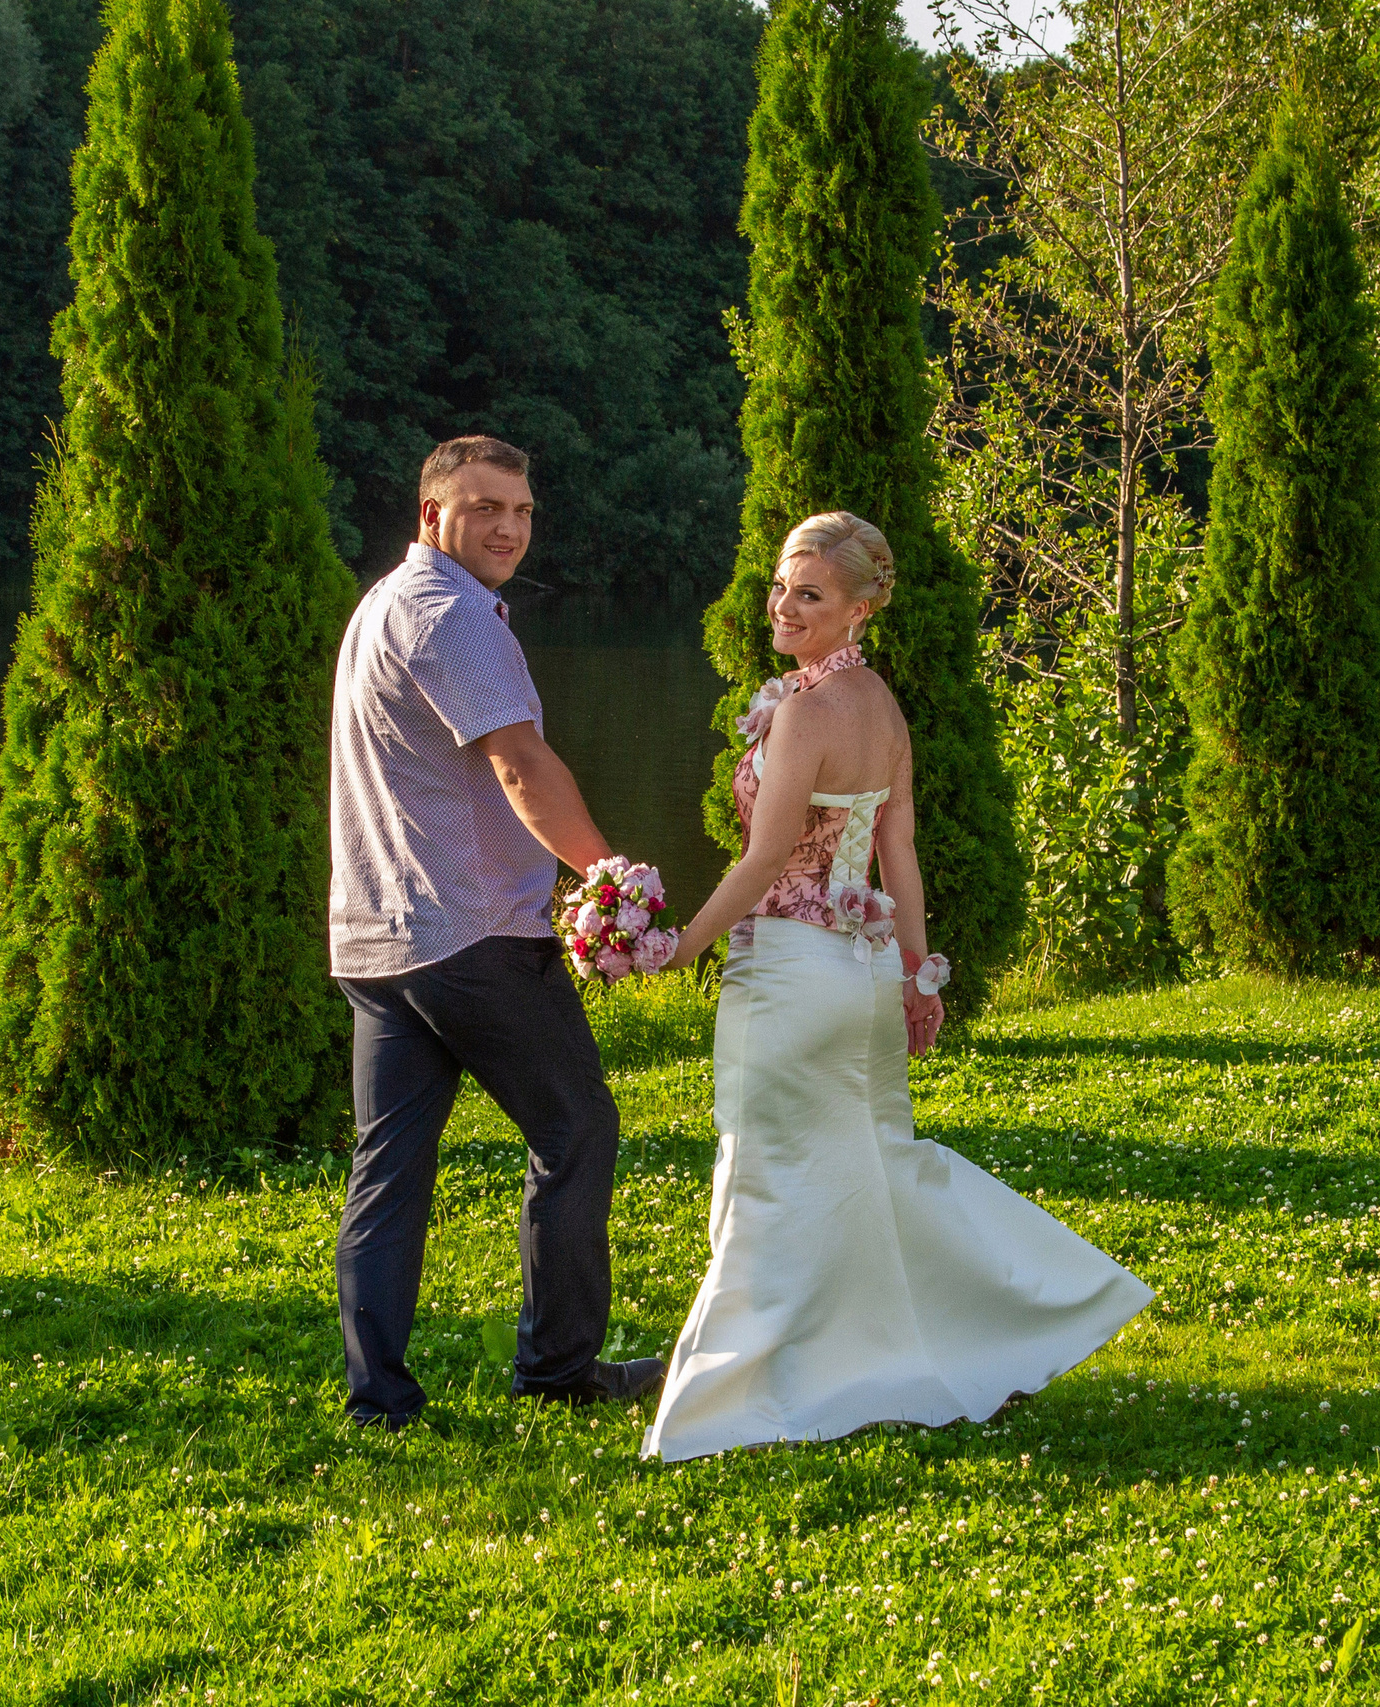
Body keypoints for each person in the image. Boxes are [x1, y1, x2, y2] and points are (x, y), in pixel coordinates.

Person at [643, 512, 1149, 1462]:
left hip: (791, 969)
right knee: (868, 1167)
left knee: (768, 1176)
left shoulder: (804, 713)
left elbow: (758, 866)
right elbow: (897, 854)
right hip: (866, 970)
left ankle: (730, 1402)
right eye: (784, 587)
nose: (784, 607)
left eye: (811, 595)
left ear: (860, 608)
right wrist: (918, 973)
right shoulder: (880, 706)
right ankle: (934, 1337)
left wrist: (683, 945)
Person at [327, 434, 666, 1429]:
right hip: (470, 936)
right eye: (484, 508)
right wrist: (606, 878)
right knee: (577, 1130)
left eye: (520, 511)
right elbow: (519, 764)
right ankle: (558, 1370)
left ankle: (377, 1401)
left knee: (388, 1171)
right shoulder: (451, 613)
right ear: (432, 515)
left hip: (376, 941)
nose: (509, 528)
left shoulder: (383, 605)